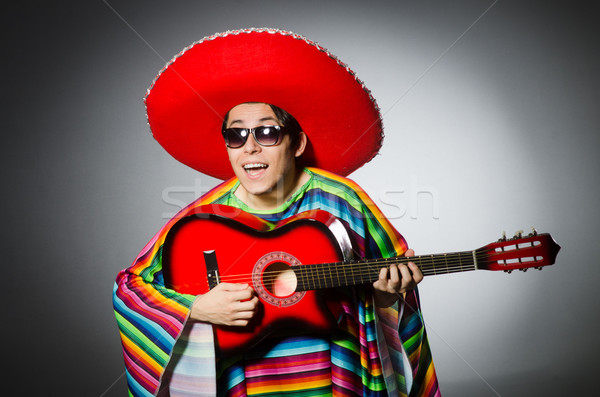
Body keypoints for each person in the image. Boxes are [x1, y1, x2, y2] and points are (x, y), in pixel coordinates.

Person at [114, 28, 440, 396]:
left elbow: (391, 287)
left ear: (297, 142)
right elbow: (130, 289)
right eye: (236, 136)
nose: (249, 148)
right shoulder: (205, 214)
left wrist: (386, 296)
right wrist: (196, 309)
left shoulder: (342, 199)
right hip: (243, 379)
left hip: (334, 375)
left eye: (267, 133)